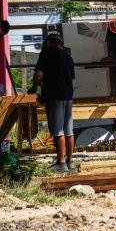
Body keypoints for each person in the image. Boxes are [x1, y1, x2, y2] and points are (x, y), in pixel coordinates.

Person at [28, 34, 75, 172]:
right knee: (69, 130)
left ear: (49, 44)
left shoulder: (46, 53)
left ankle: (61, 163)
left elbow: (39, 74)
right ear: (60, 44)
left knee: (57, 131)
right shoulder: (68, 57)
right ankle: (70, 161)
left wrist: (34, 88)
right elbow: (67, 77)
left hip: (54, 97)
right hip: (68, 97)